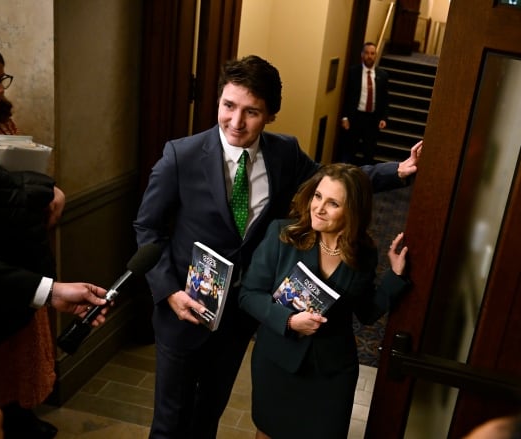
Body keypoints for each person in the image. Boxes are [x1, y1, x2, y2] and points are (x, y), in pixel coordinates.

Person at [134, 54, 421, 438]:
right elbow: (148, 227)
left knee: (207, 417)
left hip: (239, 318)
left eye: (251, 112)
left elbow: (336, 181)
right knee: (169, 423)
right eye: (228, 106)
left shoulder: (284, 153)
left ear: (270, 115)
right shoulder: (180, 156)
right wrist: (168, 291)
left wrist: (397, 171)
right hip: (183, 311)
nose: (236, 122)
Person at [0, 34, 107, 439]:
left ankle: (19, 417)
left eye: (0, 79)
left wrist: (45, 188)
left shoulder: (1, 120)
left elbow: (24, 181)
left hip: (22, 255)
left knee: (20, 359)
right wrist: (39, 190)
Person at [238, 163, 410, 438]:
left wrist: (394, 276)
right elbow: (248, 295)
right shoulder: (282, 234)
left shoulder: (363, 253)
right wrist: (290, 320)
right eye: (317, 196)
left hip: (332, 372)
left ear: (352, 211)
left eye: (333, 203)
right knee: (269, 432)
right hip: (278, 362)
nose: (318, 208)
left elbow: (366, 312)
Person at [340, 42, 389, 165]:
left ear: (376, 55)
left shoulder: (382, 75)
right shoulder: (353, 72)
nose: (369, 56)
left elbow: (385, 99)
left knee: (369, 153)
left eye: (372, 53)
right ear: (362, 55)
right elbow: (346, 96)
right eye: (366, 53)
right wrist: (345, 117)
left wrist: (383, 118)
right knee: (349, 151)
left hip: (372, 120)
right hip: (355, 117)